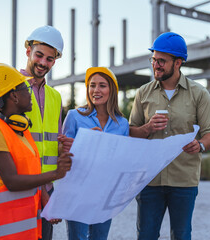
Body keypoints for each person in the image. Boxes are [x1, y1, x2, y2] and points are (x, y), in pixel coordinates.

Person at [0, 25, 73, 240]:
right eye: (39, 55)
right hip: (19, 187)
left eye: (50, 59)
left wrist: (64, 148)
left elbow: (53, 141)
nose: (43, 63)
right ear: (28, 51)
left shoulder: (55, 97)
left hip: (48, 186)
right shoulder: (8, 88)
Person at [129, 32, 210, 240]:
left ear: (178, 63)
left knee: (181, 235)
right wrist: (148, 128)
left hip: (184, 181)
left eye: (162, 61)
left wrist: (201, 145)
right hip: (149, 179)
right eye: (154, 60)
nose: (156, 65)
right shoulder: (143, 93)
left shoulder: (199, 94)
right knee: (146, 235)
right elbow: (131, 132)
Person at [62, 67, 129, 240]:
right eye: (92, 86)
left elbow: (122, 160)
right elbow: (64, 156)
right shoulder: (74, 116)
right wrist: (86, 143)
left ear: (111, 90)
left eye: (102, 85)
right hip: (77, 192)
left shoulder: (122, 124)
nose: (96, 90)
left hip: (105, 194)